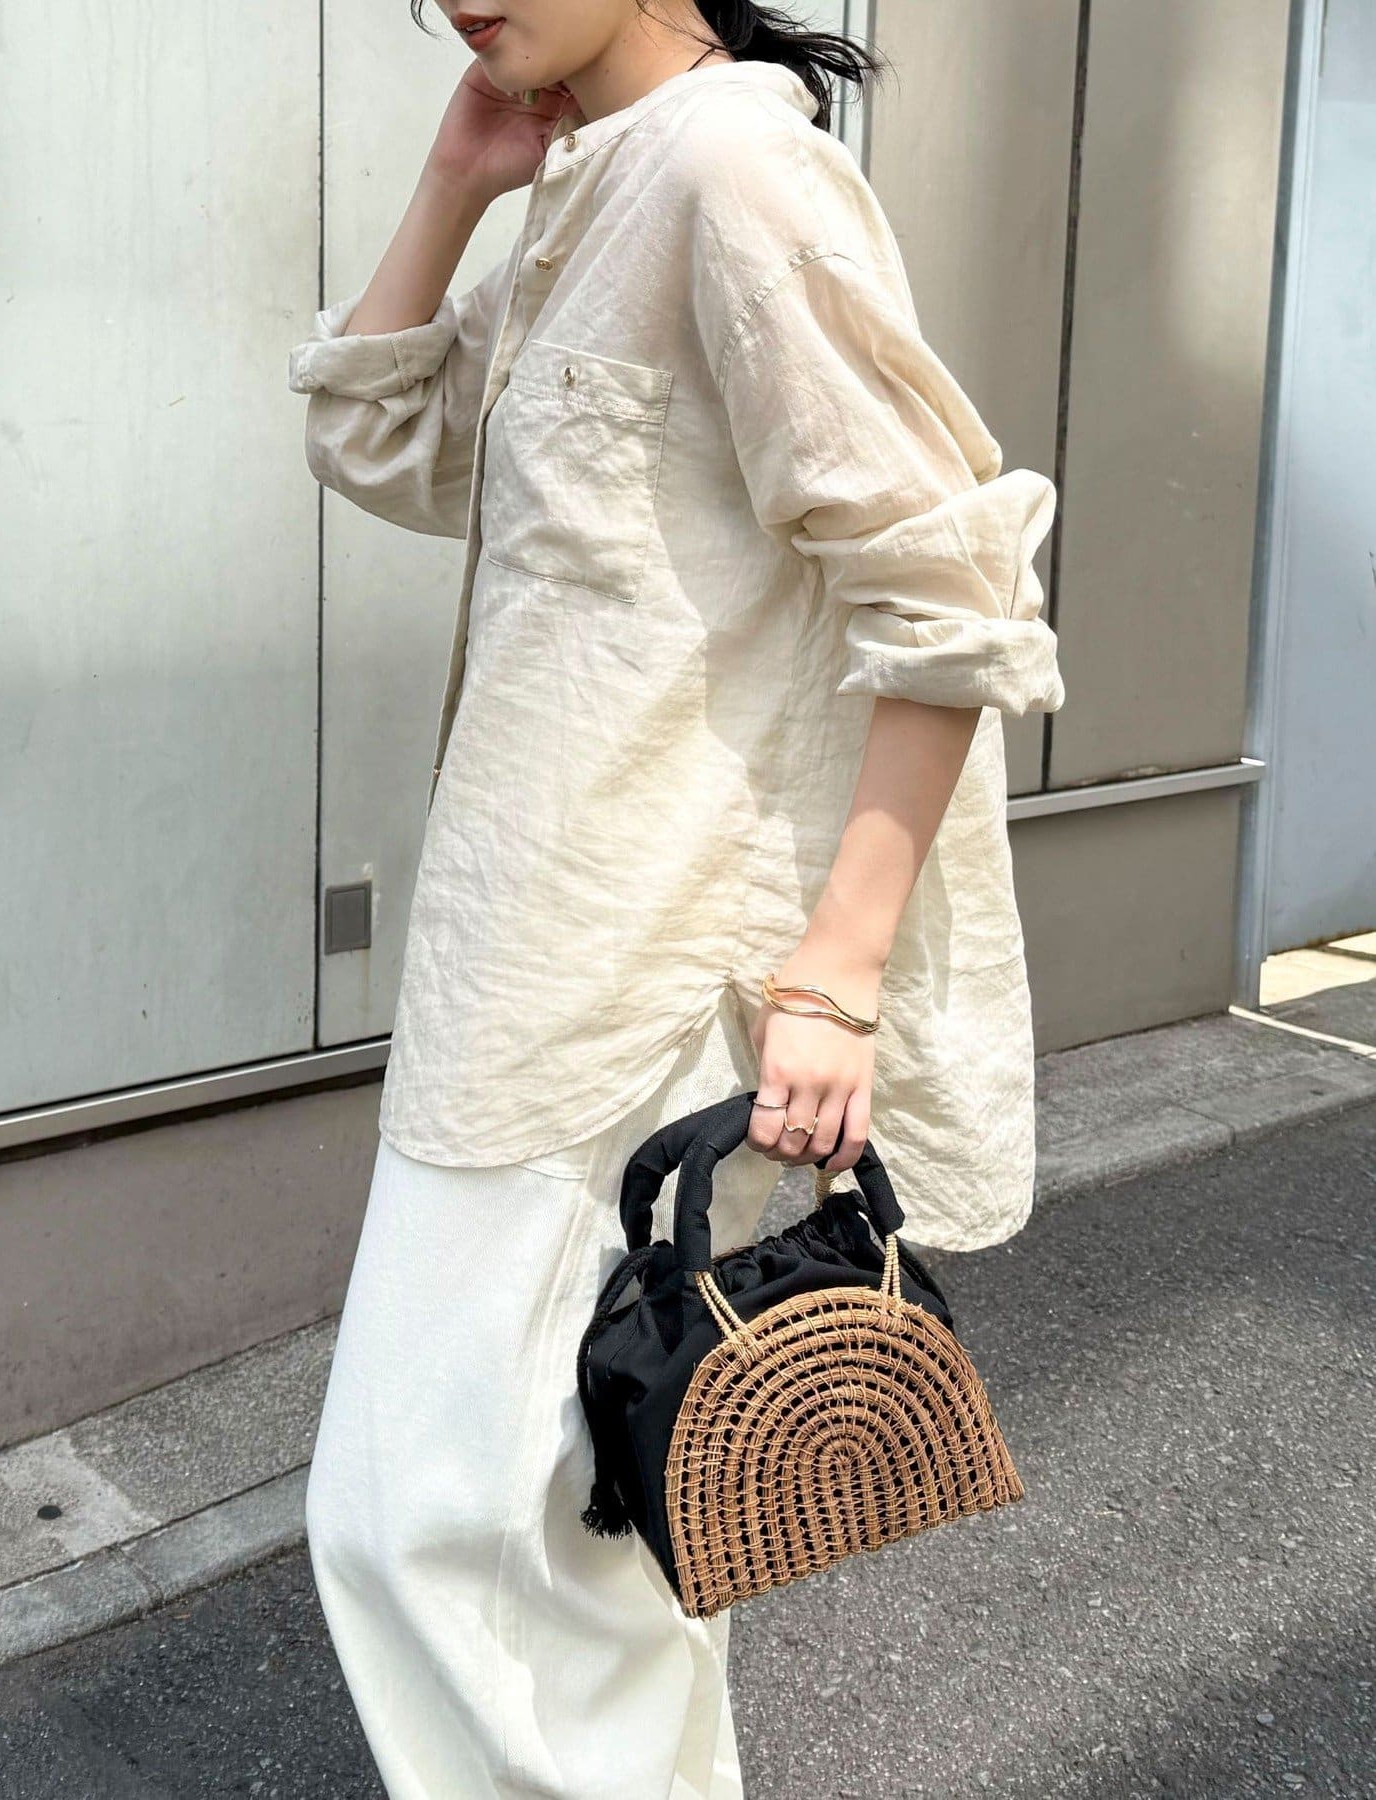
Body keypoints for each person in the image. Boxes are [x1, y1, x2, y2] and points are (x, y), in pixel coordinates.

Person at [286, 2, 1065, 1793]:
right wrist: (457, 176)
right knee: (601, 1524)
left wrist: (839, 969)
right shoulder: (605, 180)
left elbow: (943, 589)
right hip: (530, 938)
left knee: (431, 1523)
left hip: (628, 969)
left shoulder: (734, 169)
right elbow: (384, 444)